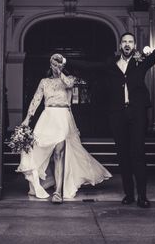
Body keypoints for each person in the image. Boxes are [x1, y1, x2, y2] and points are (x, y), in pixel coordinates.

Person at [69, 15, 155, 208]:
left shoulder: (141, 62)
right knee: (123, 155)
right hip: (117, 115)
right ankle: (129, 194)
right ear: (120, 45)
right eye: (124, 42)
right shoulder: (110, 65)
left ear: (135, 45)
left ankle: (143, 196)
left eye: (131, 42)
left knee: (138, 153)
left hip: (137, 114)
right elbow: (89, 66)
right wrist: (66, 61)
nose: (127, 44)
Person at [16, 53, 112, 203]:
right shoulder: (44, 82)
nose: (56, 66)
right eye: (54, 64)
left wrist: (60, 71)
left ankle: (58, 192)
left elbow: (68, 84)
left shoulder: (69, 79)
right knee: (38, 150)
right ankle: (46, 181)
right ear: (50, 65)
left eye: (59, 64)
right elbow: (36, 100)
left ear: (63, 66)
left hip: (62, 117)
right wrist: (27, 119)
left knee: (58, 152)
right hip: (47, 117)